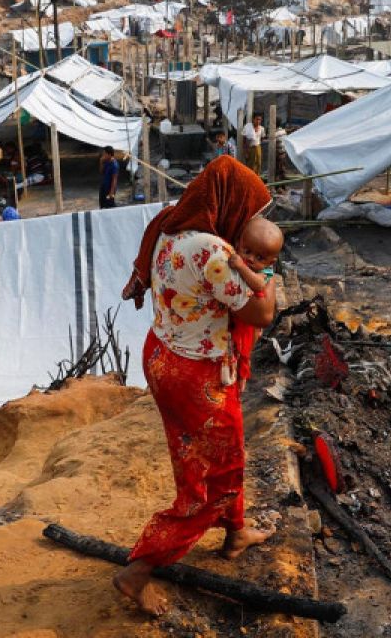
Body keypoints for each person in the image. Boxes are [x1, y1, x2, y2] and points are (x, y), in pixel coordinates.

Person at [114, 156, 278, 616]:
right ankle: (137, 571)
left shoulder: (171, 224)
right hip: (198, 374)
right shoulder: (213, 251)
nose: (250, 224)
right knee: (210, 482)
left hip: (163, 354)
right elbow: (261, 313)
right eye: (250, 212)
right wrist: (270, 277)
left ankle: (236, 531)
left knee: (211, 456)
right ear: (229, 203)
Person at [227, 216, 284, 381]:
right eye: (247, 251)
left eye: (259, 258)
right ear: (238, 244)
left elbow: (258, 285)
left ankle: (242, 378)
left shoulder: (265, 272)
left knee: (243, 351)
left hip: (248, 323)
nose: (251, 259)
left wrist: (240, 266)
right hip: (238, 315)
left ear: (271, 261)